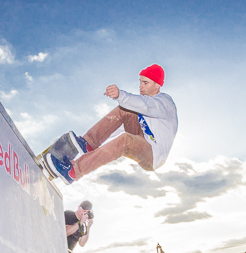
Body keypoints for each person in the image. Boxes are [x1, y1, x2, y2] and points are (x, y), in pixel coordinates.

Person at [45, 64, 178, 185]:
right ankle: (88, 143)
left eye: (145, 83)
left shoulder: (165, 103)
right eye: (140, 82)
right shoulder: (144, 104)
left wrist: (121, 95)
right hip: (142, 138)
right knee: (124, 110)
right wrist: (98, 143)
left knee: (125, 140)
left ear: (157, 85)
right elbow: (117, 126)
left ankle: (72, 172)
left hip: (153, 155)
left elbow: (147, 106)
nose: (140, 86)